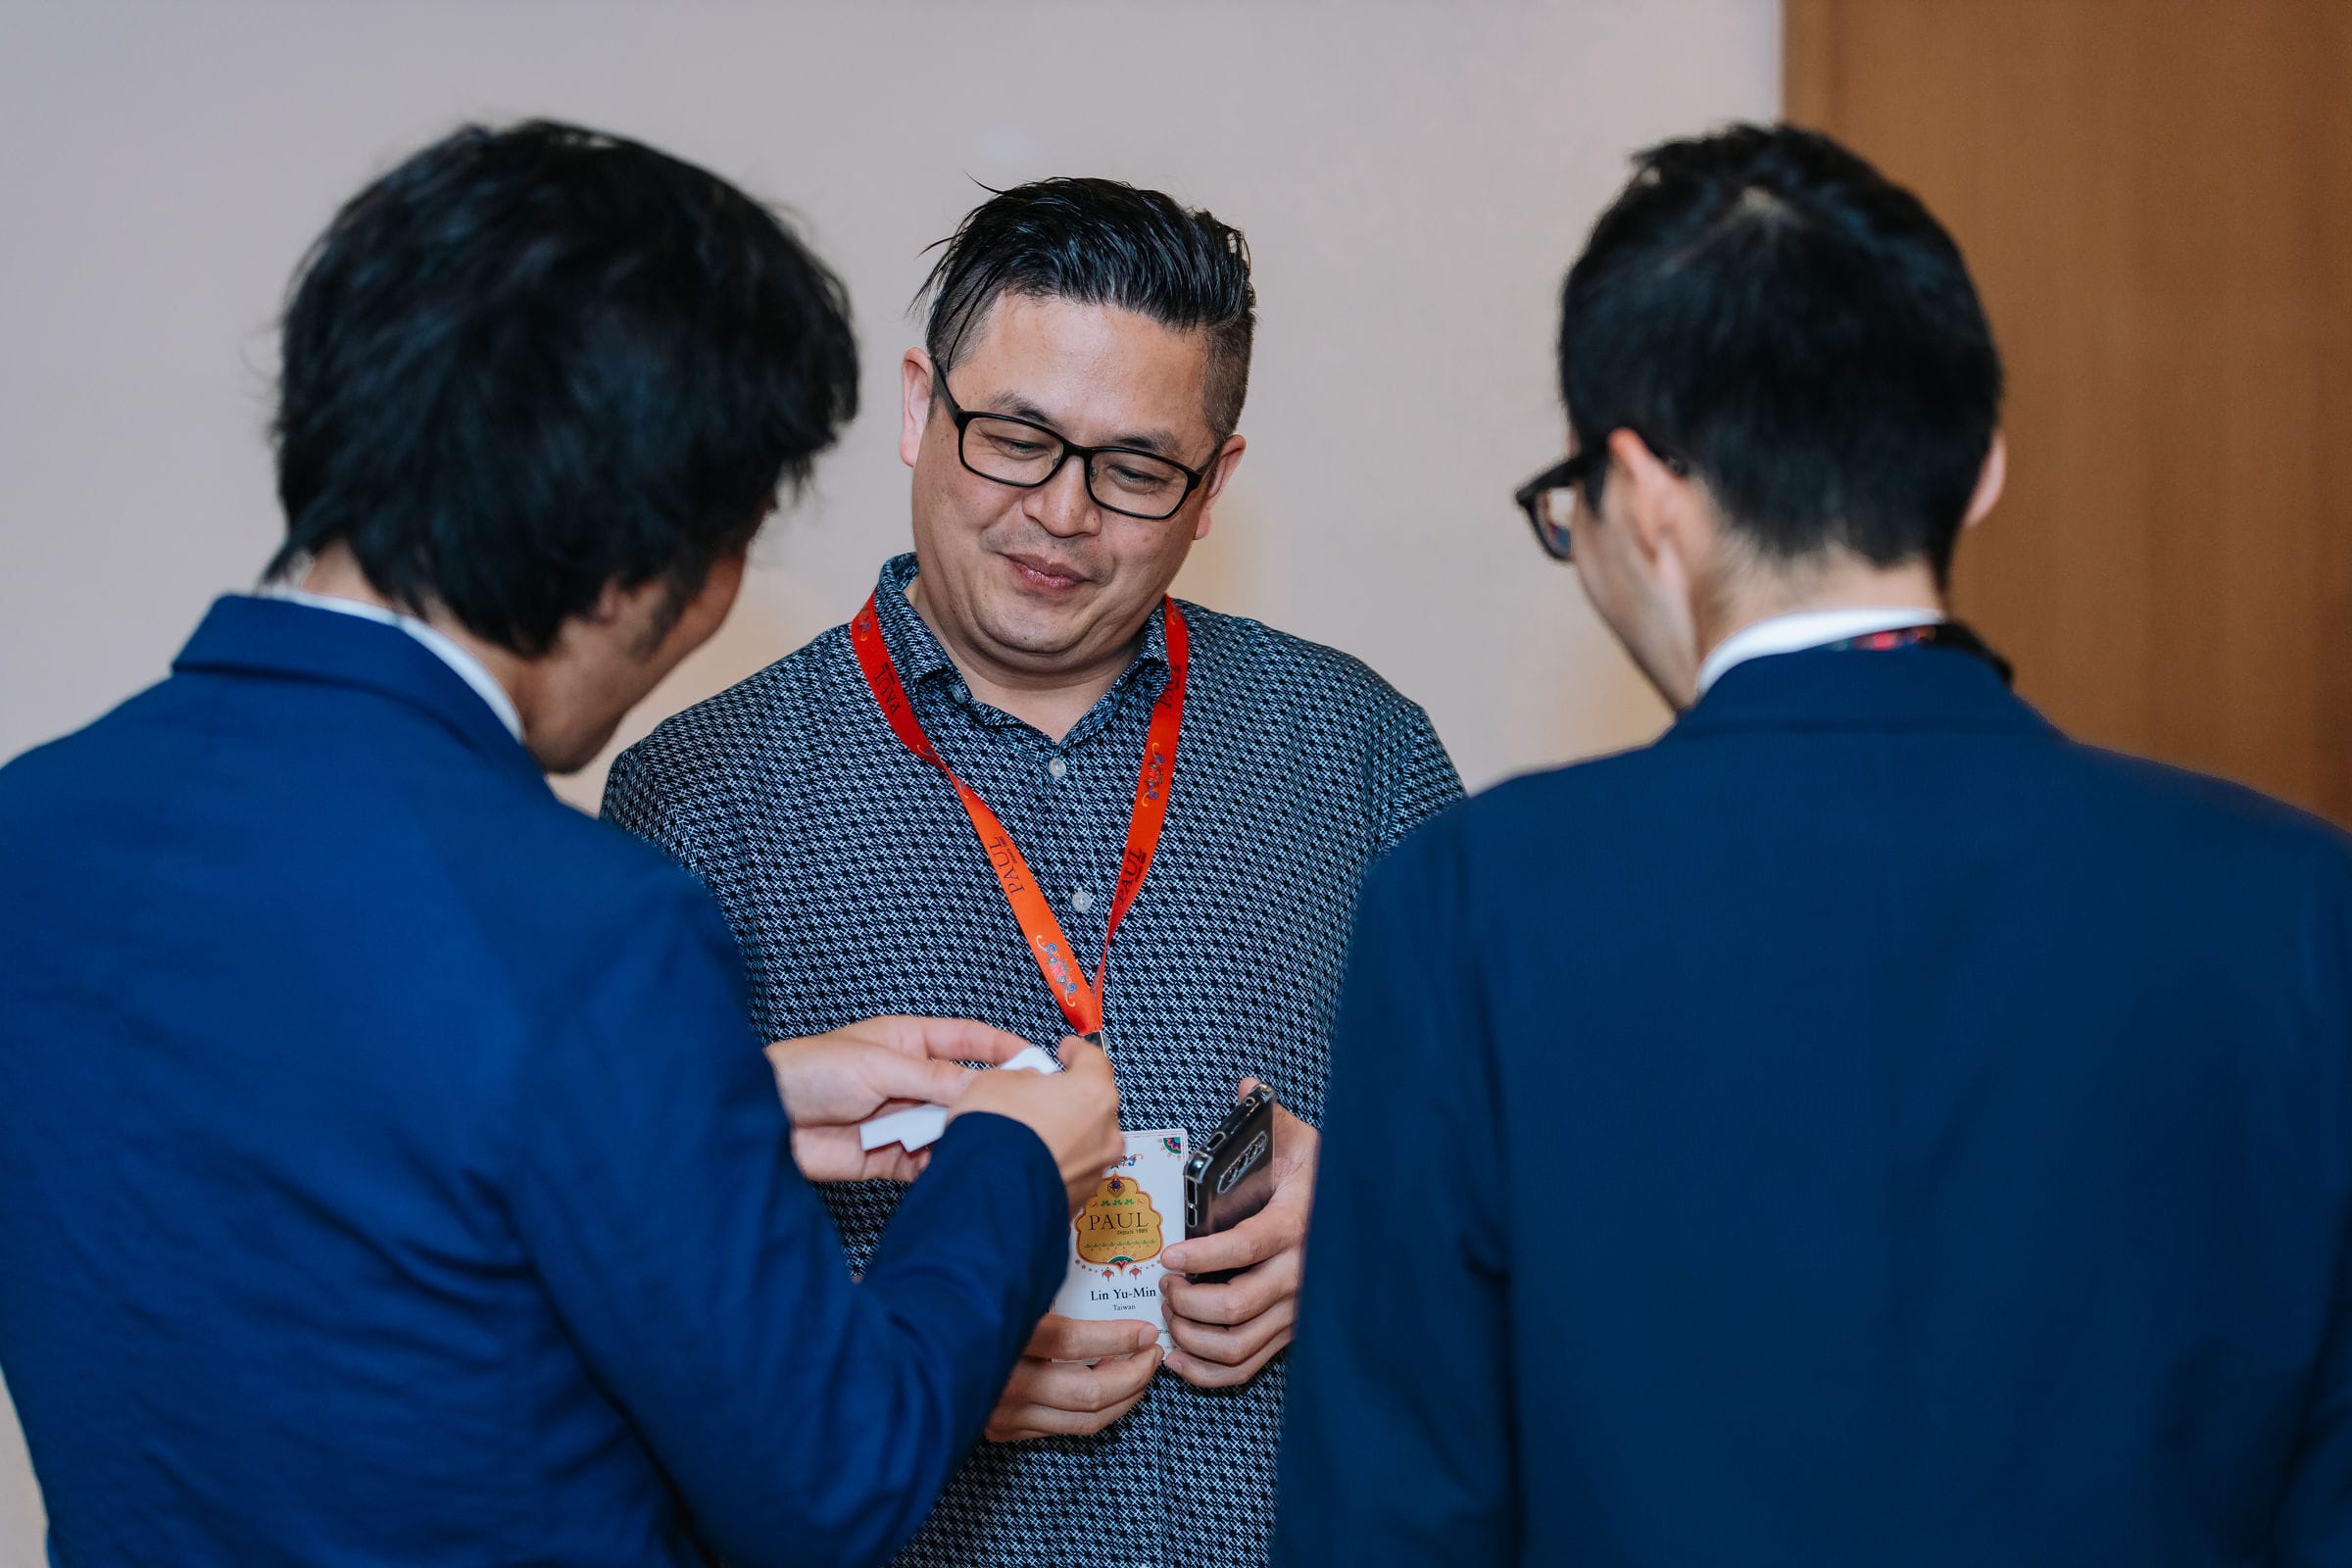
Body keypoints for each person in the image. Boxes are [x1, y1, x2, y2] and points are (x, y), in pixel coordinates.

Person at [0, 121, 1125, 1568]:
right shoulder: (593, 929)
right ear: (638, 558)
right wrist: (1007, 1172)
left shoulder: (32, 830)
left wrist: (710, 1107)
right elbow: (834, 1483)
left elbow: (310, 1171)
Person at [1276, 122, 2352, 1566]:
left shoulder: (1472, 903)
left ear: (1647, 497)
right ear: (1979, 471)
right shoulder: (2297, 907)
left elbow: (1390, 1525)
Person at [602, 176, 1462, 1566]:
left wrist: (1379, 1216)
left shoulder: (1356, 749)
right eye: (1014, 440)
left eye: (1136, 470)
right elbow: (628, 1281)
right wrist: (907, 1348)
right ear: (917, 408)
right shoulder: (701, 796)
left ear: (1213, 486)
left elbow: (1536, 1174)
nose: (1062, 513)